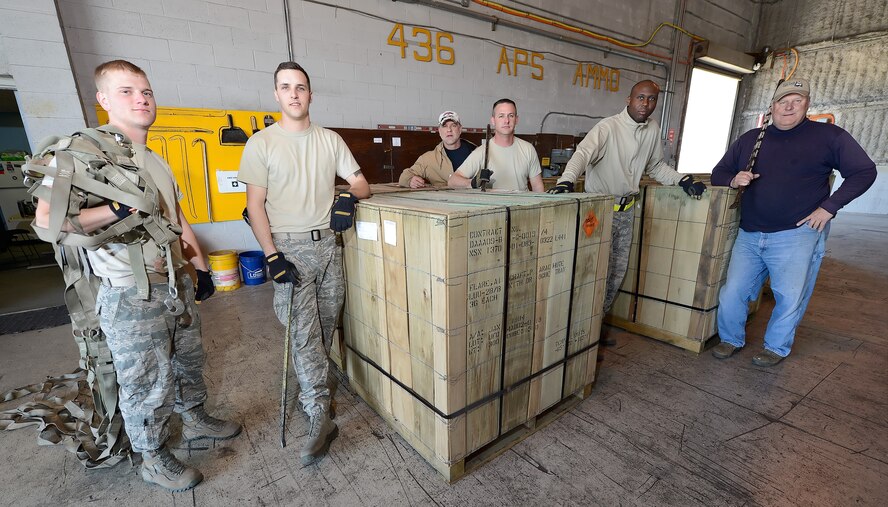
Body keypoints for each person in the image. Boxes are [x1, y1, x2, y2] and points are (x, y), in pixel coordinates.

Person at [34, 60, 241, 492]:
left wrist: (199, 267)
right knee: (146, 380)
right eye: (127, 91)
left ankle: (196, 420)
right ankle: (153, 457)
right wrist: (115, 210)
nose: (141, 98)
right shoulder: (85, 156)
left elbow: (178, 218)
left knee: (187, 362)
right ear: (104, 101)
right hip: (131, 292)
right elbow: (48, 219)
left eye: (146, 91)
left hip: (175, 284)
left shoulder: (155, 160)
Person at [238, 61, 370, 464]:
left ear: (310, 94)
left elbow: (361, 182)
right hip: (289, 251)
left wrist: (349, 196)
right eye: (285, 87)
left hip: (329, 248)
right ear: (276, 95)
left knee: (325, 327)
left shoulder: (330, 140)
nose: (294, 93)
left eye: (301, 87)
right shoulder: (261, 143)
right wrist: (272, 256)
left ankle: (312, 387)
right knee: (305, 335)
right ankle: (318, 414)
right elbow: (254, 205)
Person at [710, 78, 876, 366]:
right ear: (772, 106)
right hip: (750, 233)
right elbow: (719, 172)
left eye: (796, 100)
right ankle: (730, 339)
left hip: (797, 234)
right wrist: (733, 179)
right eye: (783, 101)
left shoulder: (829, 137)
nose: (789, 106)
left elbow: (864, 171)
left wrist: (829, 208)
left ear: (807, 105)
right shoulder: (751, 139)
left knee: (789, 296)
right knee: (732, 291)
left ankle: (776, 347)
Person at [548, 80, 706, 344]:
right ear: (628, 99)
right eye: (640, 98)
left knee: (615, 275)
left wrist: (682, 180)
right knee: (591, 273)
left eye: (652, 99)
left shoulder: (652, 129)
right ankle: (577, 335)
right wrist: (567, 179)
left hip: (626, 212)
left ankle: (594, 330)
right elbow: (583, 154)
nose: (646, 104)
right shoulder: (608, 128)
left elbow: (655, 166)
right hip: (598, 213)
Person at [449, 99, 545, 192]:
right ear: (493, 120)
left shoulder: (528, 149)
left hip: (522, 207)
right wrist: (473, 183)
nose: (506, 120)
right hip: (494, 207)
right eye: (501, 116)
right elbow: (453, 181)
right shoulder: (482, 152)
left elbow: (538, 187)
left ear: (516, 120)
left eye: (511, 116)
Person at [398, 111, 476, 188]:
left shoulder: (476, 153)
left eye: (453, 125)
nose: (449, 129)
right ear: (439, 131)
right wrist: (410, 180)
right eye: (444, 126)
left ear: (460, 129)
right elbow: (404, 176)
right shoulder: (429, 159)